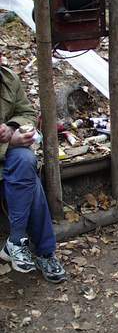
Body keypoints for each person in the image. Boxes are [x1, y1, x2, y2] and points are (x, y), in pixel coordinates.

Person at [0, 62, 66, 283]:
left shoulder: (8, 78)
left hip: (7, 156)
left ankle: (18, 242)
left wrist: (12, 128)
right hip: (5, 151)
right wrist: (9, 143)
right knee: (29, 180)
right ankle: (42, 251)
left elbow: (26, 112)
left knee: (26, 161)